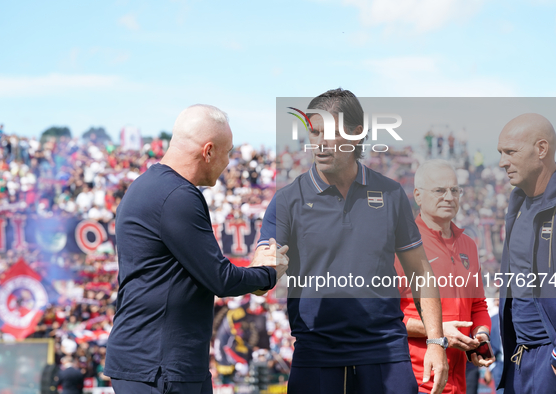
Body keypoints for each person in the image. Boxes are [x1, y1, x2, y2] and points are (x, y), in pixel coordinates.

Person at [256, 89, 448, 394]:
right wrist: (262, 272)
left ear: (357, 134)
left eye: (329, 133)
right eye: (314, 132)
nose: (319, 142)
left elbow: (421, 273)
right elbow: (260, 272)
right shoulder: (288, 200)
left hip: (386, 351)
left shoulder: (391, 193)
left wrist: (436, 343)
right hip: (316, 353)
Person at [105, 104, 289, 394]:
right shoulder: (178, 196)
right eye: (227, 152)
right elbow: (219, 278)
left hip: (152, 361)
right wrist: (267, 273)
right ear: (208, 151)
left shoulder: (146, 186)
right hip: (161, 366)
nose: (229, 162)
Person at [395, 159, 494, 394]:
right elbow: (385, 316)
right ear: (418, 195)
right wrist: (436, 330)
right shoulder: (400, 246)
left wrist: (481, 336)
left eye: (454, 190)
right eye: (440, 190)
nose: (449, 197)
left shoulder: (468, 245)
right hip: (415, 378)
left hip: (459, 380)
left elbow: (478, 305)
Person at [497, 113, 556, 394]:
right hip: (520, 357)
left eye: (510, 152)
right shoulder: (517, 202)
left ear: (541, 149)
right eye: (500, 153)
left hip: (555, 360)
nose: (502, 162)